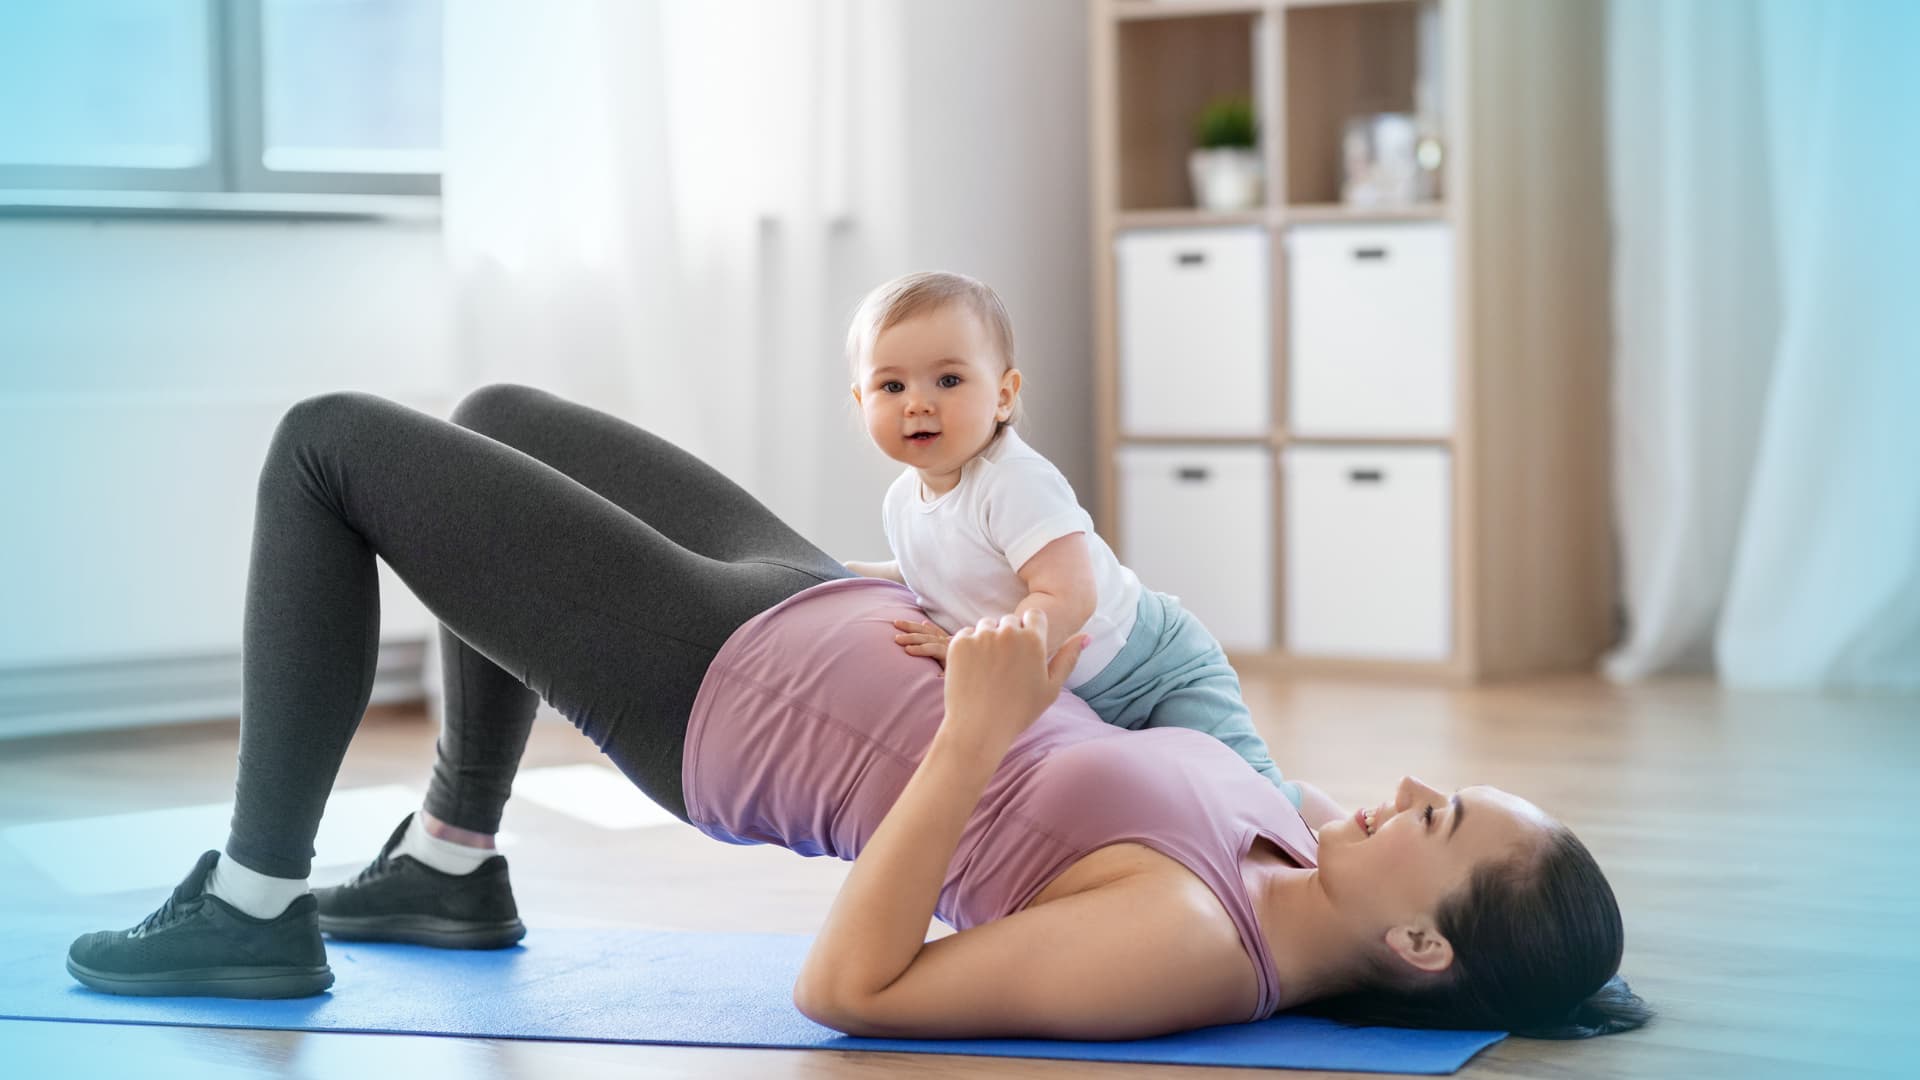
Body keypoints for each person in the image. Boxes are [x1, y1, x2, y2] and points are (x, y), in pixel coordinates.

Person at [65, 384, 1650, 1041]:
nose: (1407, 791)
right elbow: (1169, 667)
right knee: (496, 423)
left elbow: (855, 992)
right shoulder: (1295, 843)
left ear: (1423, 945)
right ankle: (452, 861)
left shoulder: (1187, 945)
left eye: (1436, 822)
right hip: (812, 597)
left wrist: (975, 732)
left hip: (723, 694)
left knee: (329, 444)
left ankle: (256, 903)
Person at [839, 271, 1348, 827]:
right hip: (1084, 693)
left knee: (1245, 797)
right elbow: (935, 571)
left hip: (1155, 669)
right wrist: (847, 577)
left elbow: (1068, 594)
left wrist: (971, 649)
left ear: (1004, 395)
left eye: (949, 381)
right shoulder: (901, 501)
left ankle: (1330, 827)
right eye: (892, 388)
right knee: (1180, 812)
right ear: (862, 401)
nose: (918, 404)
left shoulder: (1012, 482)